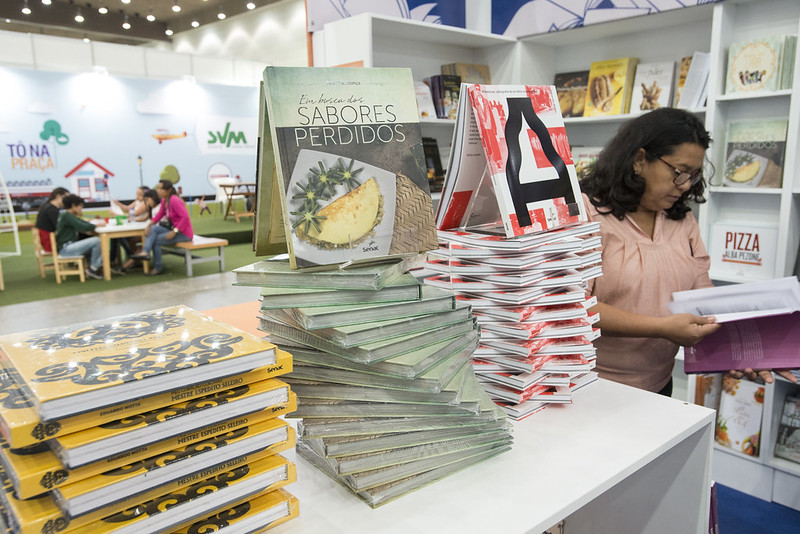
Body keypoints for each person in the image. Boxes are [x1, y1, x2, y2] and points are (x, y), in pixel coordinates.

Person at [580, 107, 796, 395]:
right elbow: (573, 307)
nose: (684, 187)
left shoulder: (681, 219)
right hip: (592, 386)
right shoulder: (586, 213)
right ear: (639, 159)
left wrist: (752, 351)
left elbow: (700, 298)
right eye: (679, 173)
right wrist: (661, 327)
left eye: (693, 177)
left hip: (658, 385)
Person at [132, 180, 193, 276]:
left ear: (168, 190)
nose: (158, 191)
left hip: (183, 233)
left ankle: (158, 267)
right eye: (158, 188)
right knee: (153, 229)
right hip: (174, 229)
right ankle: (145, 252)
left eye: (161, 189)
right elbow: (160, 214)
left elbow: (185, 217)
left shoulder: (174, 200)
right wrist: (149, 225)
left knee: (155, 240)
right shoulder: (165, 200)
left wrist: (174, 231)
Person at [56, 194, 106, 279]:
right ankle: (93, 269)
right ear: (73, 206)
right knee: (97, 241)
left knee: (92, 241)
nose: (81, 209)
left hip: (66, 247)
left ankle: (94, 267)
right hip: (66, 249)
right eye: (80, 206)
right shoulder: (67, 216)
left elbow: (81, 222)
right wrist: (96, 226)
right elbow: (82, 226)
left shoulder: (66, 216)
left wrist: (91, 223)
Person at [35, 187, 69, 252]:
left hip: (48, 241)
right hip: (50, 243)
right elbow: (60, 226)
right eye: (66, 198)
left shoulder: (49, 207)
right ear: (58, 196)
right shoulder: (51, 209)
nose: (67, 201)